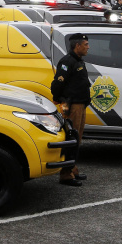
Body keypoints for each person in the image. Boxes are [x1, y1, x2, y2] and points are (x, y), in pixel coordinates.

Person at [50, 33, 90, 187]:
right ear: (77, 45)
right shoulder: (67, 62)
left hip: (80, 105)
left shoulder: (78, 61)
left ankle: (72, 169)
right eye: (85, 44)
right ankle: (66, 174)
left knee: (77, 139)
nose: (88, 47)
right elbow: (58, 83)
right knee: (71, 139)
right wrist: (58, 98)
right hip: (72, 105)